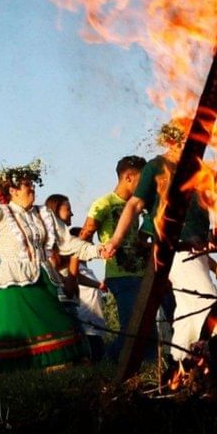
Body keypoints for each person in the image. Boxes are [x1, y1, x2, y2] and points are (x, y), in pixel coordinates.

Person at [101, 122, 217, 370]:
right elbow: (135, 204)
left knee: (188, 305)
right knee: (207, 301)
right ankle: (213, 354)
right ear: (172, 142)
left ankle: (181, 360)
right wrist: (114, 240)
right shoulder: (156, 167)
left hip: (196, 249)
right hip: (174, 248)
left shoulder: (196, 168)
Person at [0, 165, 101, 372]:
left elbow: (67, 243)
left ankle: (59, 375)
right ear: (13, 191)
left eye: (32, 184)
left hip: (44, 281)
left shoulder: (43, 213)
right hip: (13, 286)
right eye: (27, 185)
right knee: (18, 342)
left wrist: (99, 250)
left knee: (60, 325)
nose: (32, 189)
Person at [80, 155, 149, 362]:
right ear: (128, 177)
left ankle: (153, 367)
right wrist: (73, 270)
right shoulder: (104, 204)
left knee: (147, 327)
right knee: (131, 328)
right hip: (120, 275)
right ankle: (108, 362)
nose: (146, 185)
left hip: (142, 273)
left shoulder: (138, 205)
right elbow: (85, 234)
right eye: (143, 179)